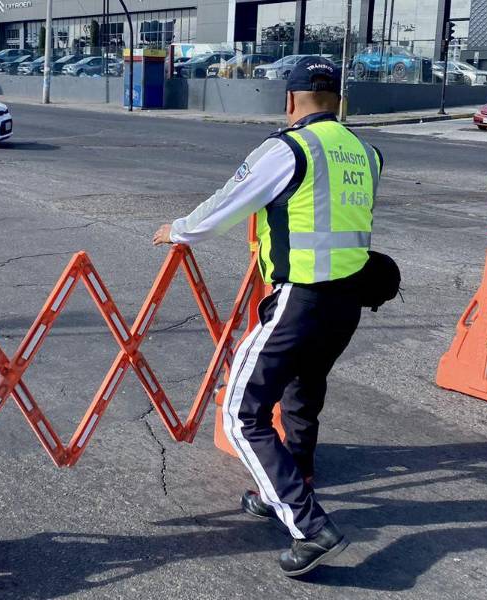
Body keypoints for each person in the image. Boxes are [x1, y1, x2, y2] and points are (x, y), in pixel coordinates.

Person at [152, 57, 382, 577]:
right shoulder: (366, 153)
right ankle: (287, 488)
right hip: (347, 301)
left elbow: (229, 203)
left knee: (241, 414)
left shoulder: (289, 147)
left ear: (291, 99)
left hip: (300, 299)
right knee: (303, 394)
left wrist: (179, 229)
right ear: (338, 100)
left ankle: (309, 527)